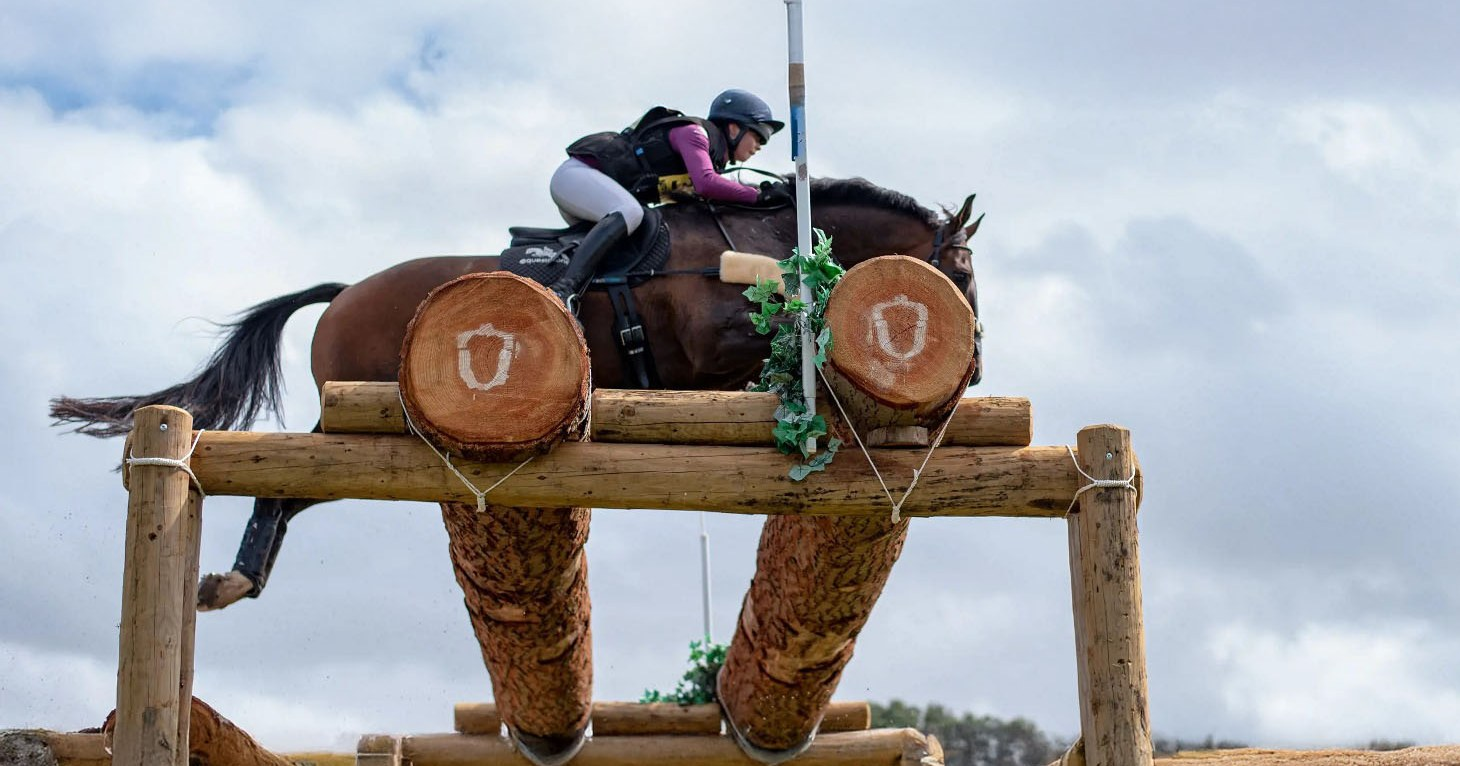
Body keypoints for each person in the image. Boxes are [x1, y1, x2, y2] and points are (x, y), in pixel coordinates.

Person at [546, 88, 793, 304]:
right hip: (577, 176)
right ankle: (563, 290)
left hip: (594, 194)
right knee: (631, 212)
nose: (760, 145)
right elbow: (707, 184)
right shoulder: (694, 133)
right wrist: (758, 196)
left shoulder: (712, 155)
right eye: (759, 135)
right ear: (733, 127)